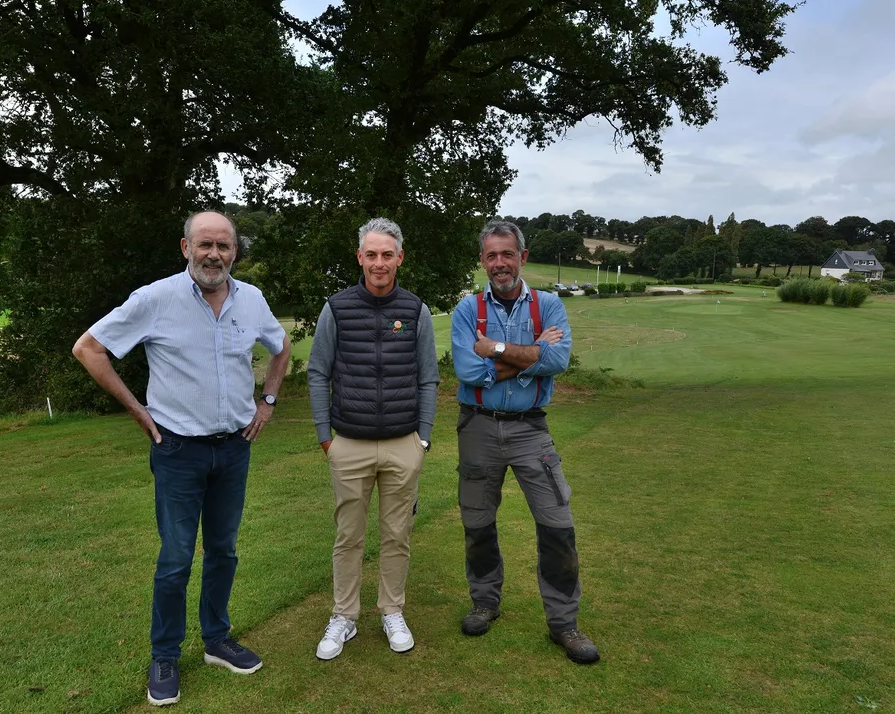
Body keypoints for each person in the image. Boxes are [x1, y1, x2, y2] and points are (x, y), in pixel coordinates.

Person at [72, 211, 291, 706]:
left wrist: (268, 401)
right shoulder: (156, 298)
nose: (214, 254)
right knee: (175, 559)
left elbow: (281, 348)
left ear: (235, 252)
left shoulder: (251, 299)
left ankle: (216, 640)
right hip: (177, 451)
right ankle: (165, 655)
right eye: (204, 245)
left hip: (234, 447)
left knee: (224, 550)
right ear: (185, 247)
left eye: (223, 246)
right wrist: (137, 410)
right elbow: (88, 349)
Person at [449, 219, 600, 664]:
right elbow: (468, 372)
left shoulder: (548, 304)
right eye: (492, 255)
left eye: (508, 254)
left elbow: (558, 359)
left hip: (531, 428)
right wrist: (533, 352)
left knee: (557, 524)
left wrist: (495, 350)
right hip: (477, 426)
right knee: (478, 523)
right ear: (483, 260)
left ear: (523, 257)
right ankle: (485, 603)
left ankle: (564, 624)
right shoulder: (467, 310)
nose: (500, 263)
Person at [307, 217, 440, 660]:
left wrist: (422, 439)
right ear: (359, 258)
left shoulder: (416, 310)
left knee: (397, 535)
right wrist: (326, 438)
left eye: (387, 255)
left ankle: (391, 610)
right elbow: (318, 372)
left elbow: (428, 377)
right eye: (371, 254)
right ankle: (344, 616)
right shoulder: (336, 308)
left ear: (399, 258)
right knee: (348, 537)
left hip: (404, 443)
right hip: (349, 444)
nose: (378, 263)